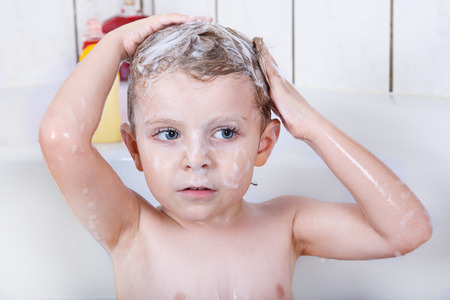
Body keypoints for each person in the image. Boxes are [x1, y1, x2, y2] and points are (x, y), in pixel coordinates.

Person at [39, 13, 432, 299]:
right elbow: (61, 139)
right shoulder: (132, 230)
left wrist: (310, 124)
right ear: (135, 149)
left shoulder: (286, 225)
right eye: (169, 134)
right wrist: (115, 44)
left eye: (225, 132)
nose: (197, 158)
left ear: (263, 144)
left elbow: (406, 230)